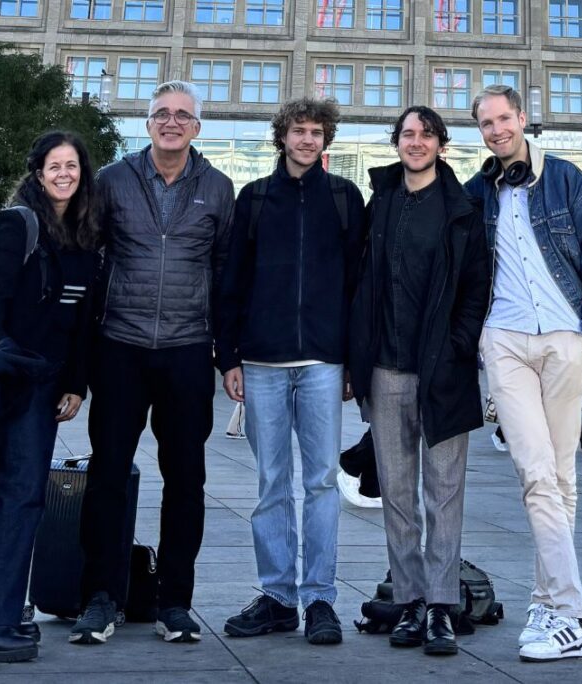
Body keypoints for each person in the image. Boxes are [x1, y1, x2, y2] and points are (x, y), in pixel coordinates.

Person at [464, 85, 582, 662]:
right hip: (504, 341)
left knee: (561, 480)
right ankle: (574, 614)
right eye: (485, 123)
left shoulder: (565, 180)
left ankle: (545, 600)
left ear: (523, 119)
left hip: (564, 339)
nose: (496, 130)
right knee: (536, 473)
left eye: (503, 118)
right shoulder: (477, 192)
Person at [73, 80, 235, 647]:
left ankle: (175, 602)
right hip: (119, 347)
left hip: (188, 351)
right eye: (161, 114)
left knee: (186, 480)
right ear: (147, 124)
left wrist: (228, 354)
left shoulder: (217, 188)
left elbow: (225, 276)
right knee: (108, 474)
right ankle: (99, 597)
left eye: (182, 116)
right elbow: (86, 261)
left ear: (197, 126)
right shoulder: (114, 181)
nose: (171, 122)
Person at [215, 97, 366, 646]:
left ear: (327, 140)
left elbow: (357, 289)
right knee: (271, 483)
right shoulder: (254, 199)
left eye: (317, 132)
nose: (307, 139)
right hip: (261, 363)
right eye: (299, 131)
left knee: (322, 482)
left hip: (324, 363)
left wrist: (353, 360)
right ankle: (278, 597)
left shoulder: (347, 200)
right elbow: (230, 283)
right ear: (282, 137)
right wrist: (227, 356)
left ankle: (320, 598)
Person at [349, 106, 491, 657]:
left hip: (444, 373)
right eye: (408, 134)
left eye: (426, 134)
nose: (416, 142)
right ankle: (407, 601)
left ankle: (440, 606)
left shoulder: (462, 209)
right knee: (399, 495)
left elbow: (477, 287)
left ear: (441, 145)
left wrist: (457, 347)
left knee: (445, 492)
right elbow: (363, 277)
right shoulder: (381, 201)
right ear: (397, 143)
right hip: (386, 370)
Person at [0, 131, 99, 662]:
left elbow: (80, 322)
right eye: (53, 165)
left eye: (72, 165)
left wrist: (75, 383)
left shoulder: (82, 235)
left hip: (50, 382)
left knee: (16, 495)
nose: (64, 173)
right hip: (13, 379)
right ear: (37, 173)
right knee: (20, 495)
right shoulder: (16, 224)